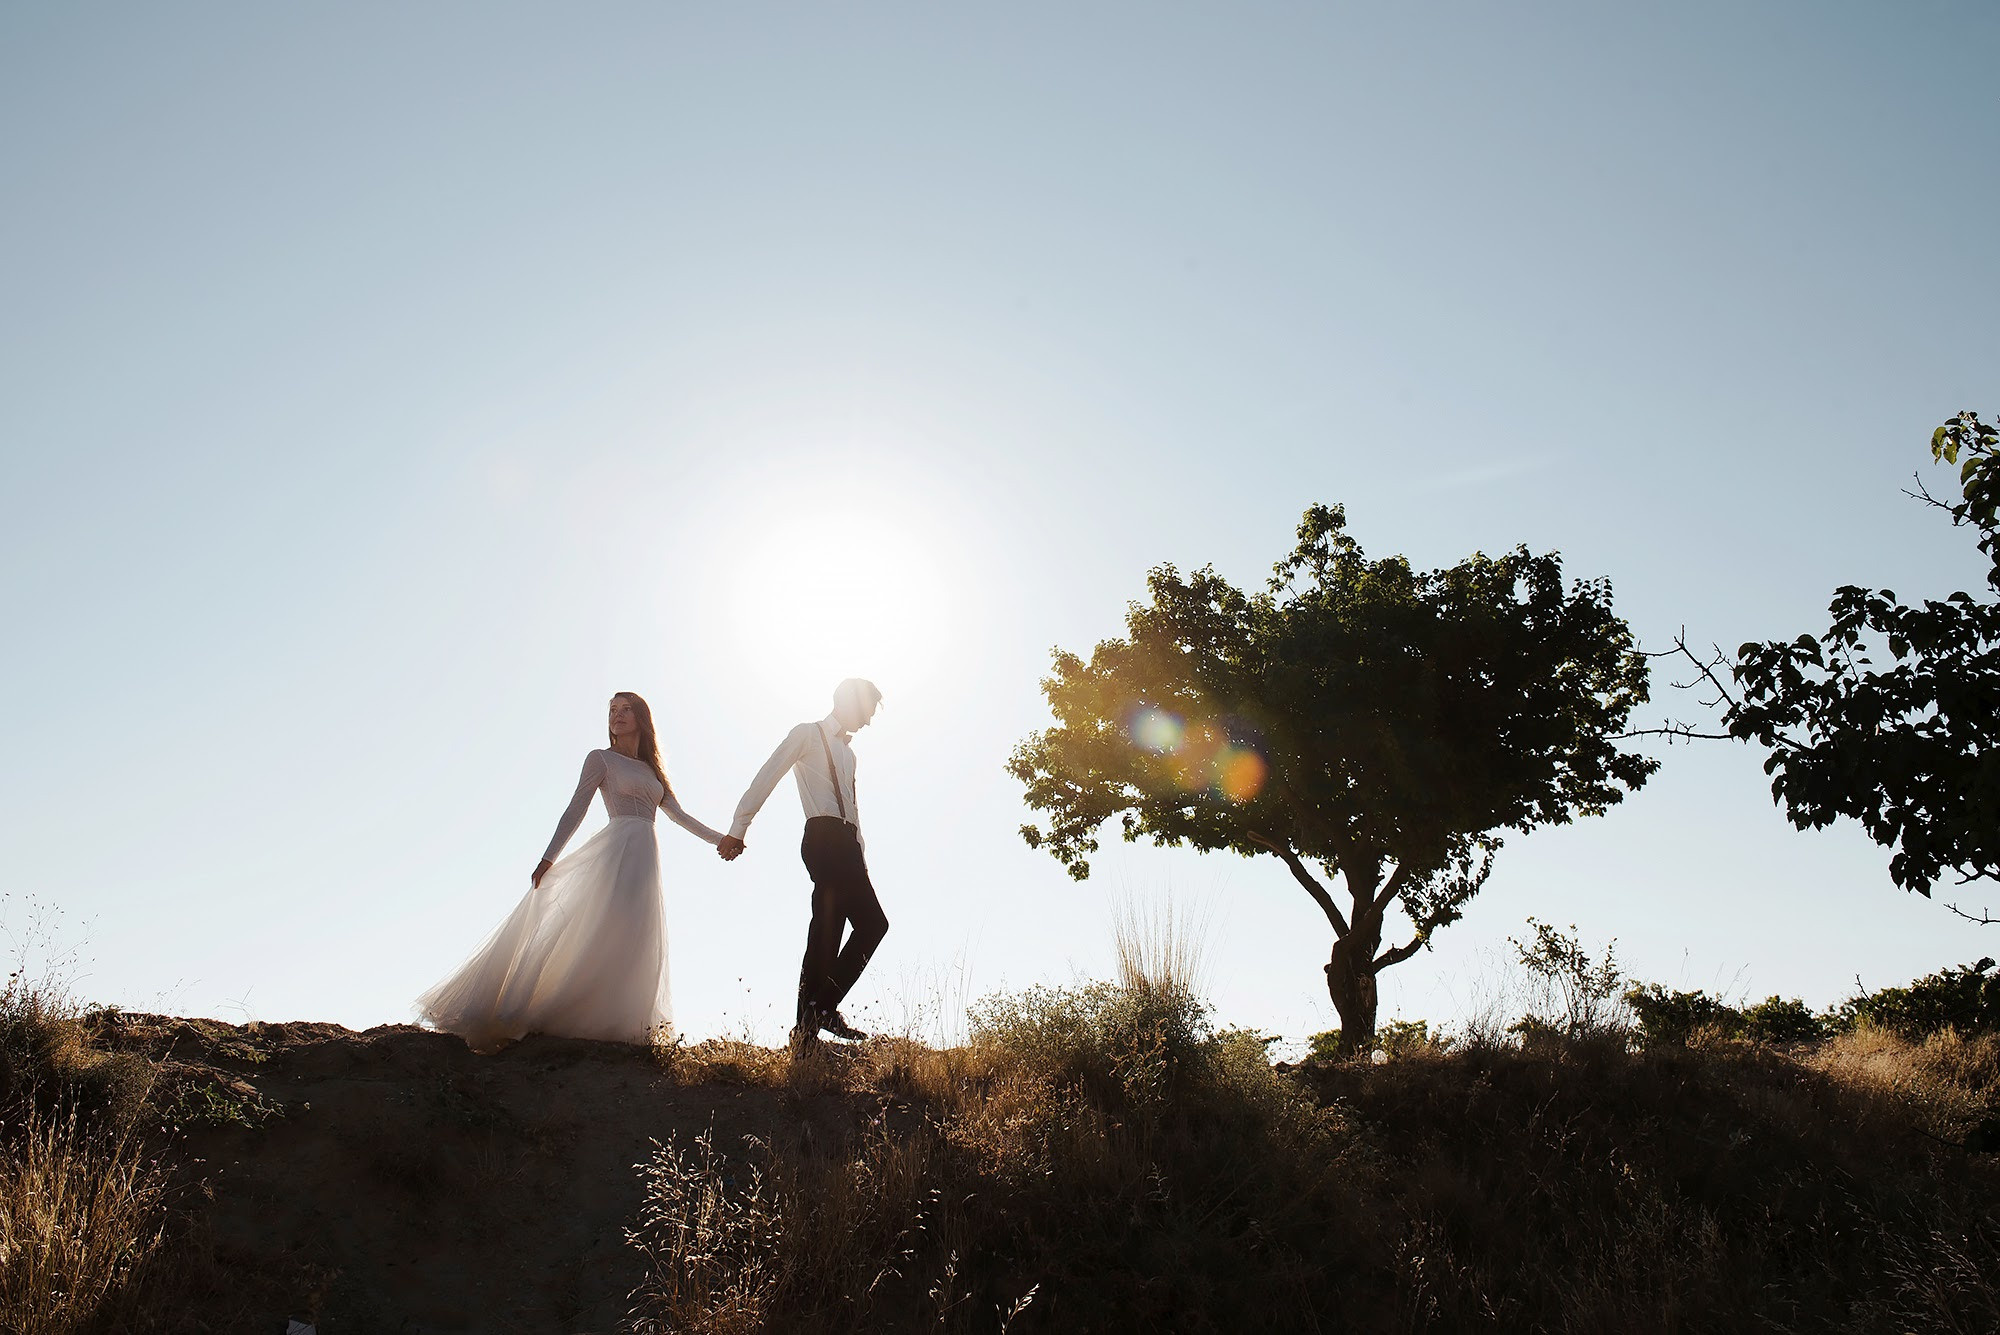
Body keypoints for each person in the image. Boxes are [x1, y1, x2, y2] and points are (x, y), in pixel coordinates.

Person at [416, 692, 727, 1050]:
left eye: (626, 710)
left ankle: (619, 1021)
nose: (617, 716)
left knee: (635, 931)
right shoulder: (601, 759)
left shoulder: (654, 771)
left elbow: (680, 815)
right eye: (612, 710)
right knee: (600, 924)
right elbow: (575, 809)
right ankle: (553, 1010)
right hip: (617, 848)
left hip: (646, 856)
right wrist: (549, 857)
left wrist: (722, 840)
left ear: (642, 718)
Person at [719, 678, 886, 1048]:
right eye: (868, 712)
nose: (870, 722)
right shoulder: (807, 734)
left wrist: (861, 854)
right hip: (822, 836)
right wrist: (738, 828)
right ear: (849, 702)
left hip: (847, 843)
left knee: (871, 925)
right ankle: (813, 1019)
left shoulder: (850, 754)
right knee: (829, 927)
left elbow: (854, 809)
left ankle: (816, 1013)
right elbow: (768, 775)